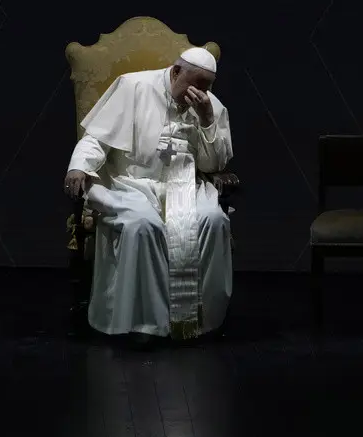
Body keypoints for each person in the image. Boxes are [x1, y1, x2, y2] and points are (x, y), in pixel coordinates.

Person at [63, 47, 234, 344]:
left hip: (187, 185)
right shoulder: (133, 87)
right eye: (193, 84)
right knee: (142, 225)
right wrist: (79, 167)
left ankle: (198, 322)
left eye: (206, 87)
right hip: (134, 184)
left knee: (213, 220)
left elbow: (214, 165)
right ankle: (143, 325)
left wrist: (207, 120)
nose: (198, 94)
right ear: (176, 71)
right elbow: (97, 139)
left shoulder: (209, 105)